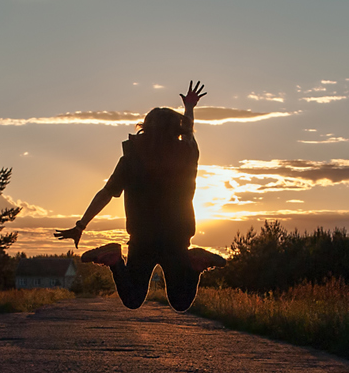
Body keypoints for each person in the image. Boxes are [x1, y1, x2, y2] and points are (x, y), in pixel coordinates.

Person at [54, 81, 225, 312]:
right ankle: (194, 266)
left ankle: (115, 260)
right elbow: (190, 137)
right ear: (178, 131)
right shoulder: (187, 154)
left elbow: (106, 193)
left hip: (142, 236)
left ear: (144, 129)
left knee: (133, 299)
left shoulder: (131, 161)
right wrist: (190, 108)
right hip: (177, 235)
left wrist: (81, 225)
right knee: (181, 301)